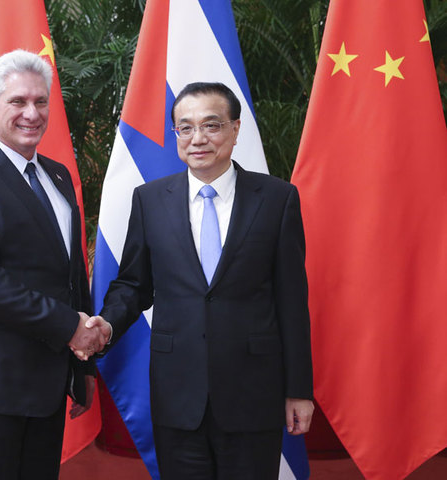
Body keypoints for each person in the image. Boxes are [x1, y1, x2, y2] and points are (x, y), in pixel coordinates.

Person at [95, 82, 314, 479]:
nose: (198, 139)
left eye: (211, 126)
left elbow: (292, 301)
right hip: (178, 395)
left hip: (253, 394)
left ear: (235, 130)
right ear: (175, 134)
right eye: (185, 127)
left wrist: (299, 389)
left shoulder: (278, 199)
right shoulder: (149, 200)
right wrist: (105, 325)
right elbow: (133, 285)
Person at [0, 50, 111, 480]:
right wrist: (71, 327)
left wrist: (81, 365)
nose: (32, 113)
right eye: (18, 101)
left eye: (41, 101)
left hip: (48, 380)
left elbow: (70, 274)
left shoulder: (59, 175)